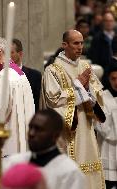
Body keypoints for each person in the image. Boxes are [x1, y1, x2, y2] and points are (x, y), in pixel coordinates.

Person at [41, 29, 106, 189]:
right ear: (65, 45)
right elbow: (53, 101)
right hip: (69, 133)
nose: (80, 47)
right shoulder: (53, 70)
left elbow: (98, 95)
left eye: (82, 43)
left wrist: (88, 91)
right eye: (76, 43)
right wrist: (77, 86)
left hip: (88, 129)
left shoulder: (85, 66)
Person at [0, 109, 86, 189]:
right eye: (31, 127)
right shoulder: (16, 161)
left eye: (39, 129)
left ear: (55, 135)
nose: (32, 133)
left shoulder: (70, 172)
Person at [95, 63, 117, 189]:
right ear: (108, 79)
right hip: (108, 149)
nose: (116, 82)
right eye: (113, 78)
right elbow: (102, 127)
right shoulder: (102, 98)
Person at [11, 38, 41, 111]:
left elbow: (37, 104)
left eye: (11, 52)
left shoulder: (35, 76)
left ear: (20, 54)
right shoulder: (0, 75)